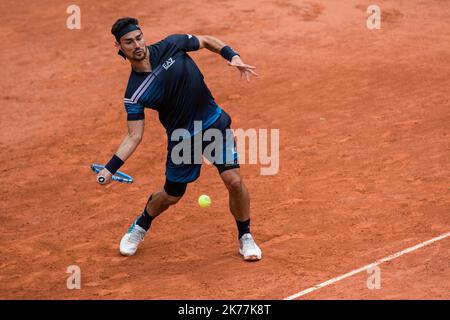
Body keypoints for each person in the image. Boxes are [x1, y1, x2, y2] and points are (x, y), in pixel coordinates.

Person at [97, 17, 261, 261]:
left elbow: (205, 41)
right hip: (183, 141)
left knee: (234, 181)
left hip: (213, 123)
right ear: (119, 47)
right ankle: (141, 225)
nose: (137, 45)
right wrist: (110, 169)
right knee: (171, 195)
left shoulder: (171, 45)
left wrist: (231, 55)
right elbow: (134, 135)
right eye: (129, 42)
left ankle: (245, 236)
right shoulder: (134, 93)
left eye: (139, 38)